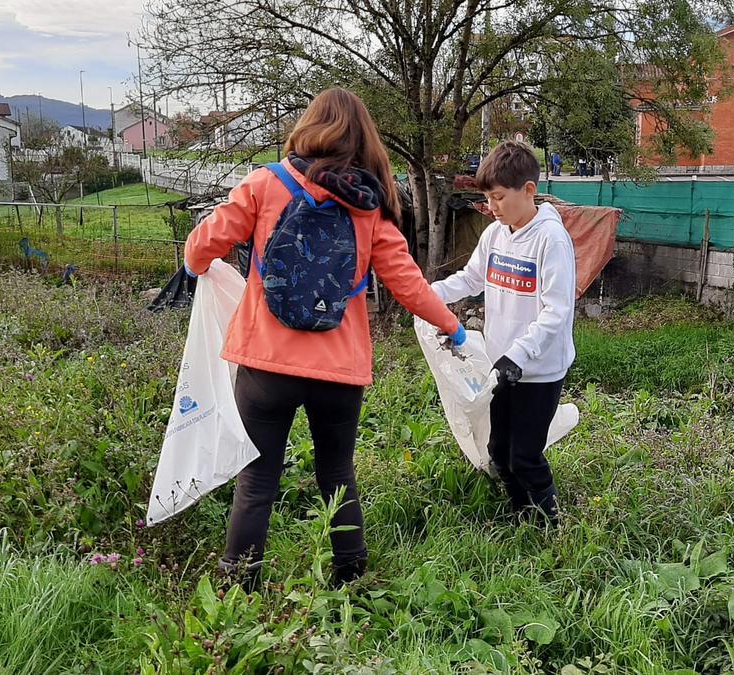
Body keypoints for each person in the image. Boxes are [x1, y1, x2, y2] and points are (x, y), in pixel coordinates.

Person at [183, 88, 465, 588]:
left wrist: (197, 266)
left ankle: (237, 584)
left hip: (265, 363)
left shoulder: (263, 184)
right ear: (364, 140)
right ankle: (351, 575)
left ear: (308, 127)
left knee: (258, 479)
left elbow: (207, 241)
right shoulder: (369, 206)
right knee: (337, 472)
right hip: (339, 370)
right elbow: (408, 284)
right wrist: (452, 326)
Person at [432, 141, 576, 524]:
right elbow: (471, 278)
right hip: (501, 368)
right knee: (498, 450)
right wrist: (428, 294)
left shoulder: (551, 239)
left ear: (528, 191)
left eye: (498, 197)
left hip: (538, 370)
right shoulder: (496, 235)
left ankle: (552, 526)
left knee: (525, 454)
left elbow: (557, 310)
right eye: (488, 198)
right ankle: (521, 514)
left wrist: (521, 353)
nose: (492, 207)